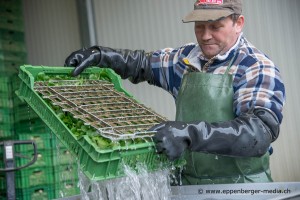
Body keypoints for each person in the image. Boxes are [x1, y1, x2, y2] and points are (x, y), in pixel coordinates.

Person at [64, 0, 285, 185]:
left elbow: (258, 133)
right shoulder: (186, 59)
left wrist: (190, 134)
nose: (205, 36)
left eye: (215, 26)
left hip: (242, 189)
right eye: (199, 26)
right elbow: (142, 63)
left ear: (238, 23)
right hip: (189, 186)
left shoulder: (255, 66)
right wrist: (102, 55)